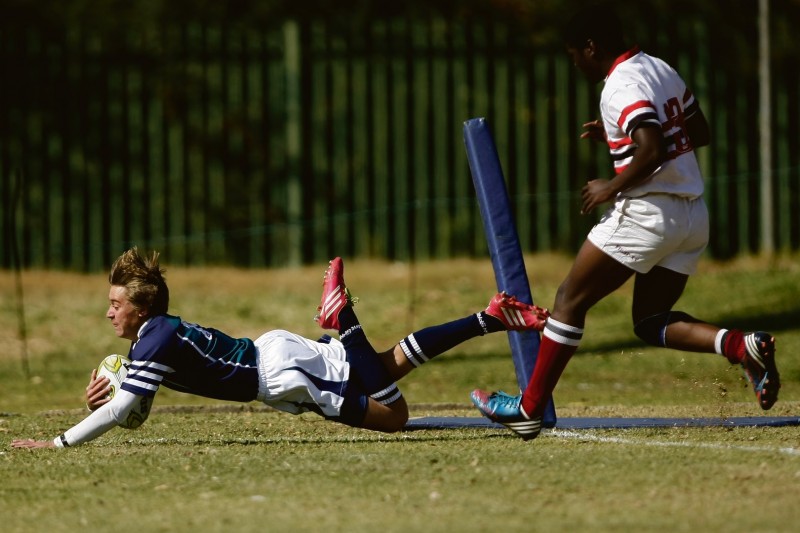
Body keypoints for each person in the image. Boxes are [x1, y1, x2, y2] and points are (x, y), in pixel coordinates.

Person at [470, 4, 780, 440]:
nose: (573, 62)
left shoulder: (620, 84)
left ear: (592, 47)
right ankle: (740, 346)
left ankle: (529, 407)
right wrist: (617, 134)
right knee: (650, 319)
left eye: (574, 53)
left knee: (568, 300)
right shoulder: (658, 68)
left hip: (647, 213)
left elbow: (650, 148)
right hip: (692, 217)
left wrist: (609, 187)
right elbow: (700, 132)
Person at [12, 248, 549, 449]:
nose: (108, 312)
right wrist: (107, 393)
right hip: (273, 349)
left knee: (393, 417)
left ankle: (345, 318)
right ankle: (489, 318)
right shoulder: (157, 336)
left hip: (278, 377)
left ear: (142, 306)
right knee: (385, 366)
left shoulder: (153, 337)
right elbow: (133, 400)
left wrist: (59, 443)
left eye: (114, 303)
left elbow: (129, 410)